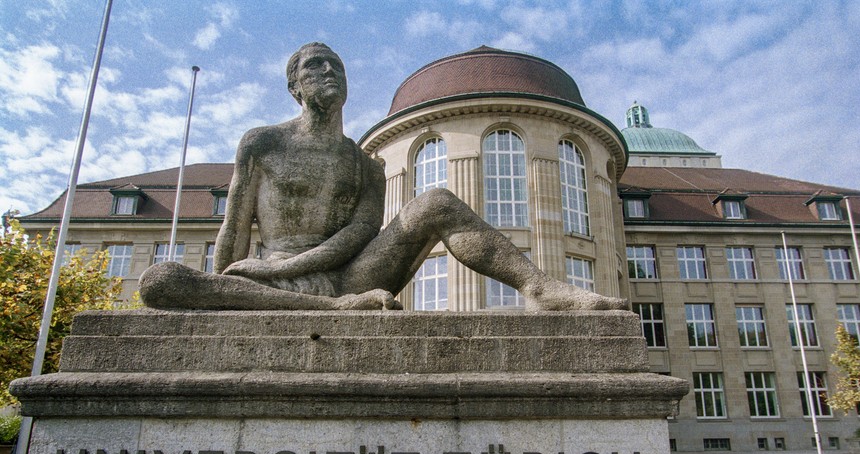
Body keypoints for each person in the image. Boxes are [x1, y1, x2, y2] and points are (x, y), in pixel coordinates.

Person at [139, 43, 626, 312]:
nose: (328, 71)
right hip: (274, 280)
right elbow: (234, 227)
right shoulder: (262, 143)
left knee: (436, 202)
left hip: (348, 276)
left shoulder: (365, 163)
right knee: (160, 279)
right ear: (294, 86)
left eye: (336, 65)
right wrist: (227, 284)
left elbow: (358, 235)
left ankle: (540, 289)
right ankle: (331, 311)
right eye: (314, 65)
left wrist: (287, 269)